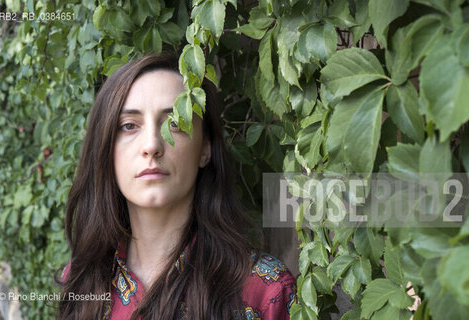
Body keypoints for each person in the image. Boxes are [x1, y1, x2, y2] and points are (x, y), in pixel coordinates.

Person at [57, 53, 297, 319]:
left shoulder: (265, 290)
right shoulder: (81, 281)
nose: (151, 145)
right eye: (128, 126)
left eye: (175, 123)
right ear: (106, 151)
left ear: (205, 148)